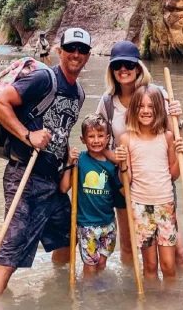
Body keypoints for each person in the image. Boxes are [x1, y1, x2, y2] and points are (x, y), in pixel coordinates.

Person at [0, 27, 92, 298]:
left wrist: (67, 154)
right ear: (60, 52)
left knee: (67, 237)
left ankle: (56, 294)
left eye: (82, 50)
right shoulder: (44, 78)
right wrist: (28, 135)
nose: (76, 54)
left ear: (88, 56)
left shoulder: (78, 93)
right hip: (25, 176)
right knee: (10, 254)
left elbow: (61, 128)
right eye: (71, 49)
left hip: (54, 183)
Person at [96, 40, 183, 266]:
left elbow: (172, 137)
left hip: (157, 181)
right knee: (128, 245)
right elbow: (98, 142)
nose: (123, 70)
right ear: (112, 70)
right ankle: (137, 295)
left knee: (177, 251)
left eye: (128, 64)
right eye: (117, 65)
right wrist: (116, 159)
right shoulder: (107, 102)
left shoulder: (157, 95)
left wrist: (177, 117)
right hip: (123, 179)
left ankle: (180, 296)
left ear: (138, 67)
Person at [116, 85, 183, 280]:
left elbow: (173, 175)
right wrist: (122, 163)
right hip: (140, 207)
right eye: (141, 106)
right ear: (134, 110)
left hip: (165, 206)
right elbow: (127, 181)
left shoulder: (167, 137)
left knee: (169, 264)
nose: (146, 111)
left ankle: (171, 303)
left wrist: (182, 156)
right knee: (150, 265)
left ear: (158, 110)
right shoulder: (126, 139)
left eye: (151, 107)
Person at [60, 114, 123, 277]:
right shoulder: (79, 161)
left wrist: (124, 164)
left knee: (102, 262)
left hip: (108, 222)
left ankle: (98, 291)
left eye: (100, 136)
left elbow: (123, 190)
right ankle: (89, 296)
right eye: (91, 136)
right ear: (83, 139)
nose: (96, 140)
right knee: (90, 264)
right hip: (86, 224)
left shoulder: (111, 164)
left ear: (108, 138)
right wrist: (68, 164)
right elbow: (64, 187)